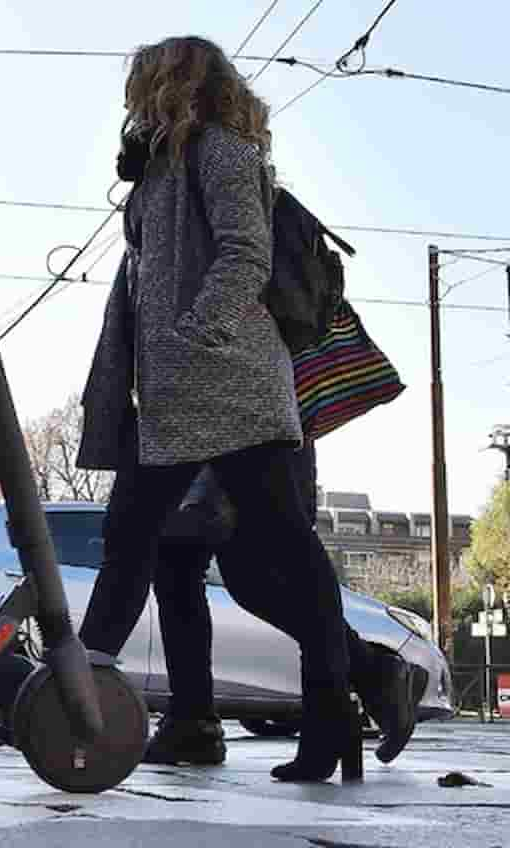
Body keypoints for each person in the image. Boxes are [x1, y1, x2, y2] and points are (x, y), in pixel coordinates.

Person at [75, 36, 358, 782]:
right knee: (128, 533)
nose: (134, 97)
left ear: (176, 81)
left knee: (285, 555)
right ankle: (80, 689)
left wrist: (195, 330)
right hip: (172, 396)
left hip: (230, 386)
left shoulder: (224, 149)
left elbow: (245, 253)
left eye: (143, 82)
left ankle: (333, 719)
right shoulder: (158, 169)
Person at [142, 441, 428, 767]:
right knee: (192, 562)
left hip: (246, 423)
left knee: (247, 576)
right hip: (208, 427)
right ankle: (372, 675)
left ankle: (352, 693)